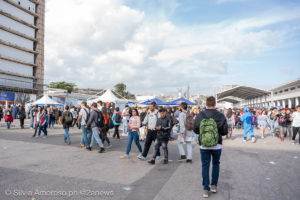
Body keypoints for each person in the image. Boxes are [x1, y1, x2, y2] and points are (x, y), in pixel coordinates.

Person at [193, 96, 228, 198]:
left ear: (206, 104)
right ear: (215, 104)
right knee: (216, 164)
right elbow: (225, 131)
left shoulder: (200, 115)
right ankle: (214, 185)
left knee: (205, 165)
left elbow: (195, 129)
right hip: (217, 145)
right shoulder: (221, 115)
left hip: (203, 145)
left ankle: (205, 189)